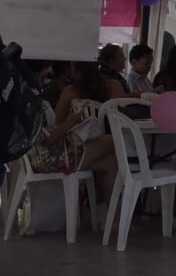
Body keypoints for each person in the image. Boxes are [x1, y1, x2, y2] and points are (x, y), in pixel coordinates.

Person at [45, 62, 124, 201]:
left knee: (111, 161)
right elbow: (51, 137)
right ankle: (105, 209)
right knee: (116, 141)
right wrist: (71, 122)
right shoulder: (112, 86)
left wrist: (70, 122)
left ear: (78, 73)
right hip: (65, 156)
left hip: (71, 152)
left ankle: (111, 216)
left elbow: (56, 124)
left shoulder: (70, 91)